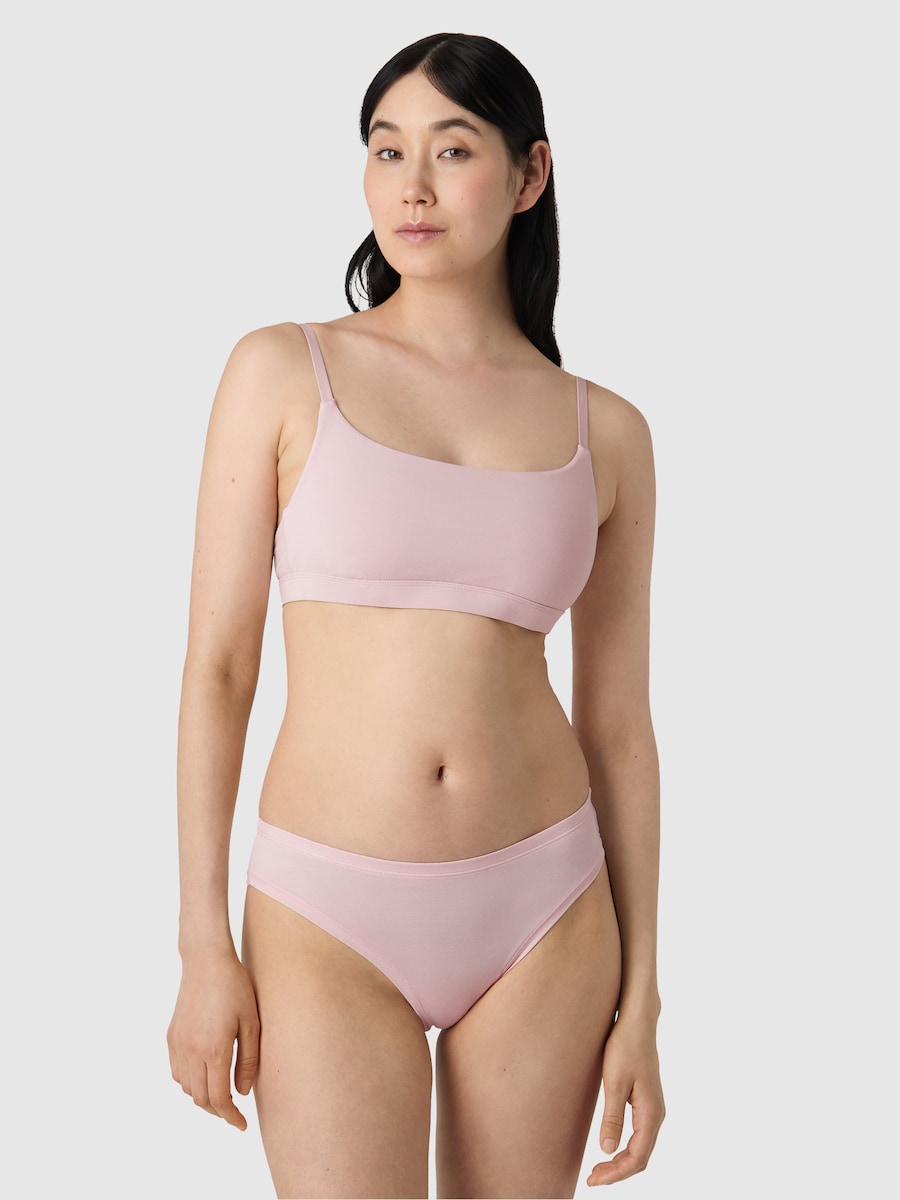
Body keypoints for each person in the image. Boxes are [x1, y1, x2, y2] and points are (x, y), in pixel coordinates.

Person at [167, 30, 665, 1199]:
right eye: (387, 150)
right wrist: (201, 942)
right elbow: (219, 669)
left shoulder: (609, 433)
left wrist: (644, 996)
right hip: (326, 912)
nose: (413, 186)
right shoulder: (282, 372)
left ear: (530, 175)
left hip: (548, 908)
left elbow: (619, 728)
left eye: (453, 149)